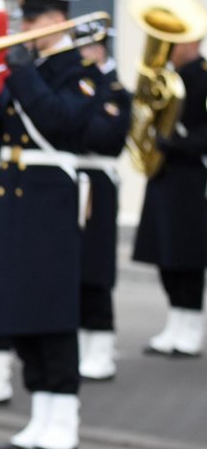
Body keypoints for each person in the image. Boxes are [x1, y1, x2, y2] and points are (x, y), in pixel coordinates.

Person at [0, 0, 104, 449]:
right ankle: (40, 415)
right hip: (14, 200)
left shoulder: (79, 71)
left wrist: (18, 73)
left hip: (51, 198)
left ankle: (65, 419)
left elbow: (61, 122)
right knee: (21, 307)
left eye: (33, 18)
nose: (23, 27)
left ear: (57, 18)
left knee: (53, 309)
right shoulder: (33, 71)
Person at [135, 35, 207, 357]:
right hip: (164, 174)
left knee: (188, 257)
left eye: (175, 41)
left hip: (192, 177)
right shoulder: (164, 77)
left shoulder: (204, 76)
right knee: (166, 255)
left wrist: (178, 143)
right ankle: (175, 322)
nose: (169, 48)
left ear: (192, 43)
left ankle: (191, 326)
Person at [75, 27, 132, 379]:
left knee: (95, 265)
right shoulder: (80, 86)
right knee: (75, 264)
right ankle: (82, 342)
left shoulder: (114, 91)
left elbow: (104, 136)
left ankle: (101, 346)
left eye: (86, 47)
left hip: (97, 181)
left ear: (100, 49)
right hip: (74, 180)